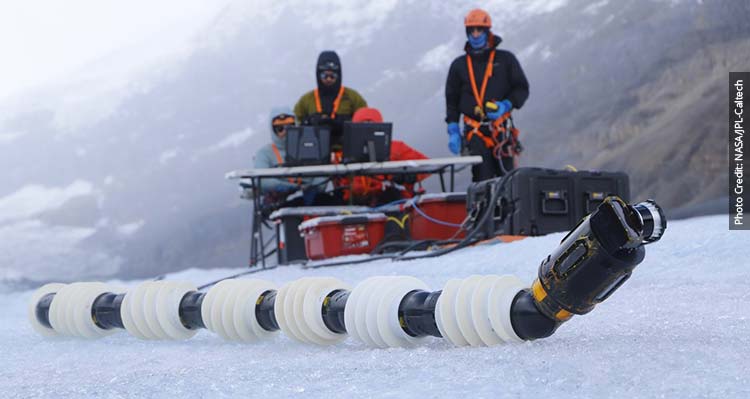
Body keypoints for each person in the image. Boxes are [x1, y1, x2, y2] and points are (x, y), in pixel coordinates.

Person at [445, 8, 529, 182]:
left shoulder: (505, 60)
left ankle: (508, 210)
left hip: (501, 130)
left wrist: (506, 104)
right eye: (471, 30)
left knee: (508, 181)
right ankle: (482, 208)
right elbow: (451, 99)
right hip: (474, 132)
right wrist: (453, 128)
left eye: (479, 30)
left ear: (487, 31)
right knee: (482, 181)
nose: (475, 35)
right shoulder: (459, 65)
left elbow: (522, 88)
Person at [333, 107, 428, 206]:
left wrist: (409, 176)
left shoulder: (396, 148)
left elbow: (426, 165)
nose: (367, 129)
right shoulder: (343, 154)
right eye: (363, 125)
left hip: (392, 201)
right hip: (355, 203)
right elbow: (336, 180)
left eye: (371, 125)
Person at [253, 107, 333, 213]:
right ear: (272, 130)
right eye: (279, 128)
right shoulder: (264, 153)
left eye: (289, 127)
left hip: (312, 197)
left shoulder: (310, 146)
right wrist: (292, 188)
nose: (285, 132)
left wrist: (314, 188)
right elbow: (262, 180)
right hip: (282, 200)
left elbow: (323, 171)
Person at [294, 50, 368, 142]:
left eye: (332, 76)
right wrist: (309, 122)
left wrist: (345, 123)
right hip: (314, 151)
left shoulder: (353, 97)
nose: (328, 79)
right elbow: (294, 125)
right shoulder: (306, 100)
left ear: (339, 75)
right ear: (318, 75)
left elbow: (366, 122)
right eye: (325, 76)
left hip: (346, 151)